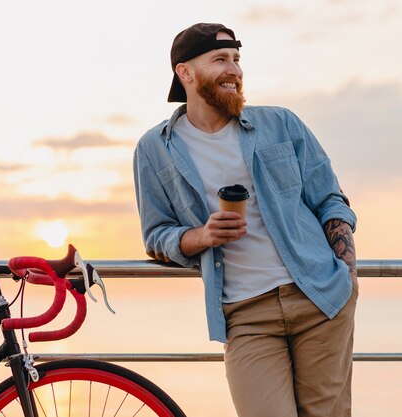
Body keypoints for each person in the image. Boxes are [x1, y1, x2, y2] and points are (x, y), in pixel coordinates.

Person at [133, 23, 358, 417]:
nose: (234, 70)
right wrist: (200, 236)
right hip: (244, 315)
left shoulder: (281, 124)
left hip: (319, 298)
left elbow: (330, 200)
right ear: (184, 72)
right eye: (220, 59)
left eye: (237, 60)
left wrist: (347, 274)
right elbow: (156, 235)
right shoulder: (155, 149)